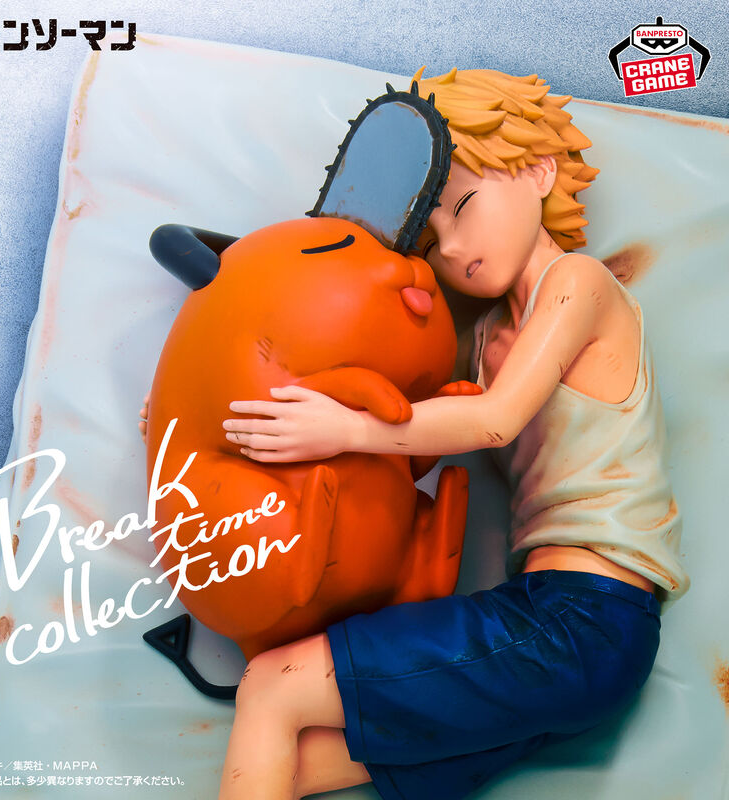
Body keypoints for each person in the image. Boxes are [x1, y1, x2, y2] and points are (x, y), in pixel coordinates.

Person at [198, 68, 688, 800]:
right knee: (292, 761)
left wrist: (347, 429)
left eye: (462, 206)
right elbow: (392, 391)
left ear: (538, 172)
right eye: (433, 240)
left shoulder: (579, 283)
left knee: (272, 685)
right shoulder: (484, 338)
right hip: (551, 625)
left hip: (585, 620)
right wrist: (208, 409)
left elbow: (492, 420)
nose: (453, 249)